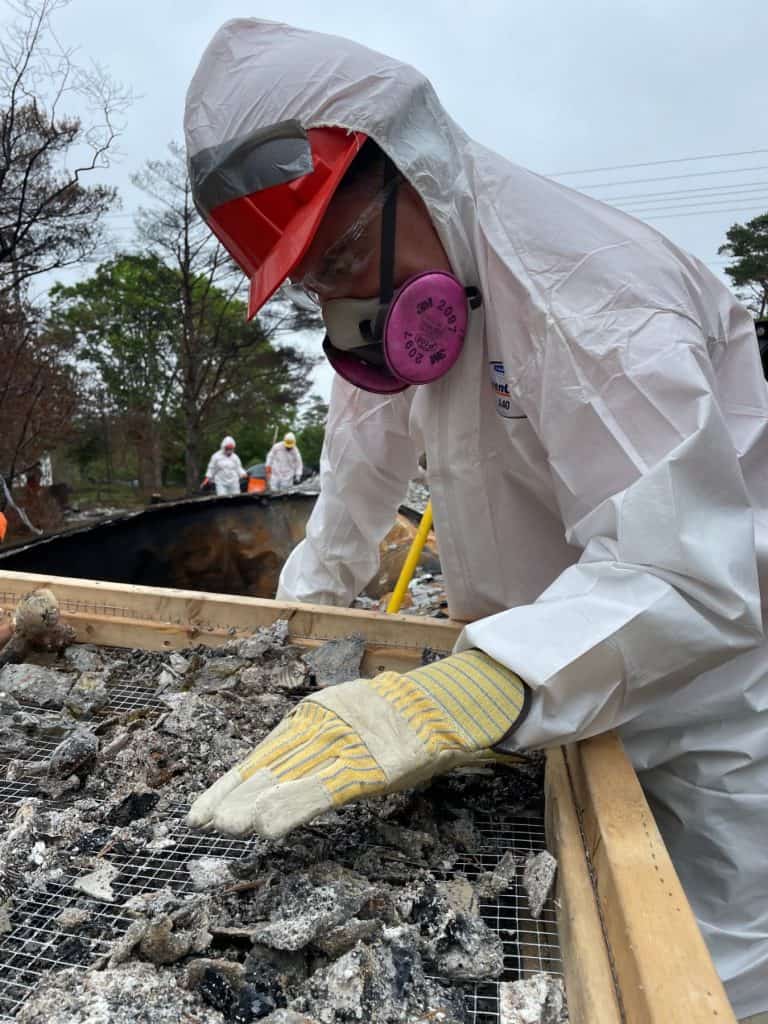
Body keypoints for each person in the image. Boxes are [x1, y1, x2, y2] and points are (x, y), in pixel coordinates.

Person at [184, 20, 768, 1020]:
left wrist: (466, 688)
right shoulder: (412, 296)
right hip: (538, 690)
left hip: (699, 710)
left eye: (347, 251)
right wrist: (291, 641)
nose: (344, 296)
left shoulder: (592, 298)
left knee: (710, 974)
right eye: (315, 278)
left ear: (413, 160)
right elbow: (354, 489)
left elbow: (692, 577)